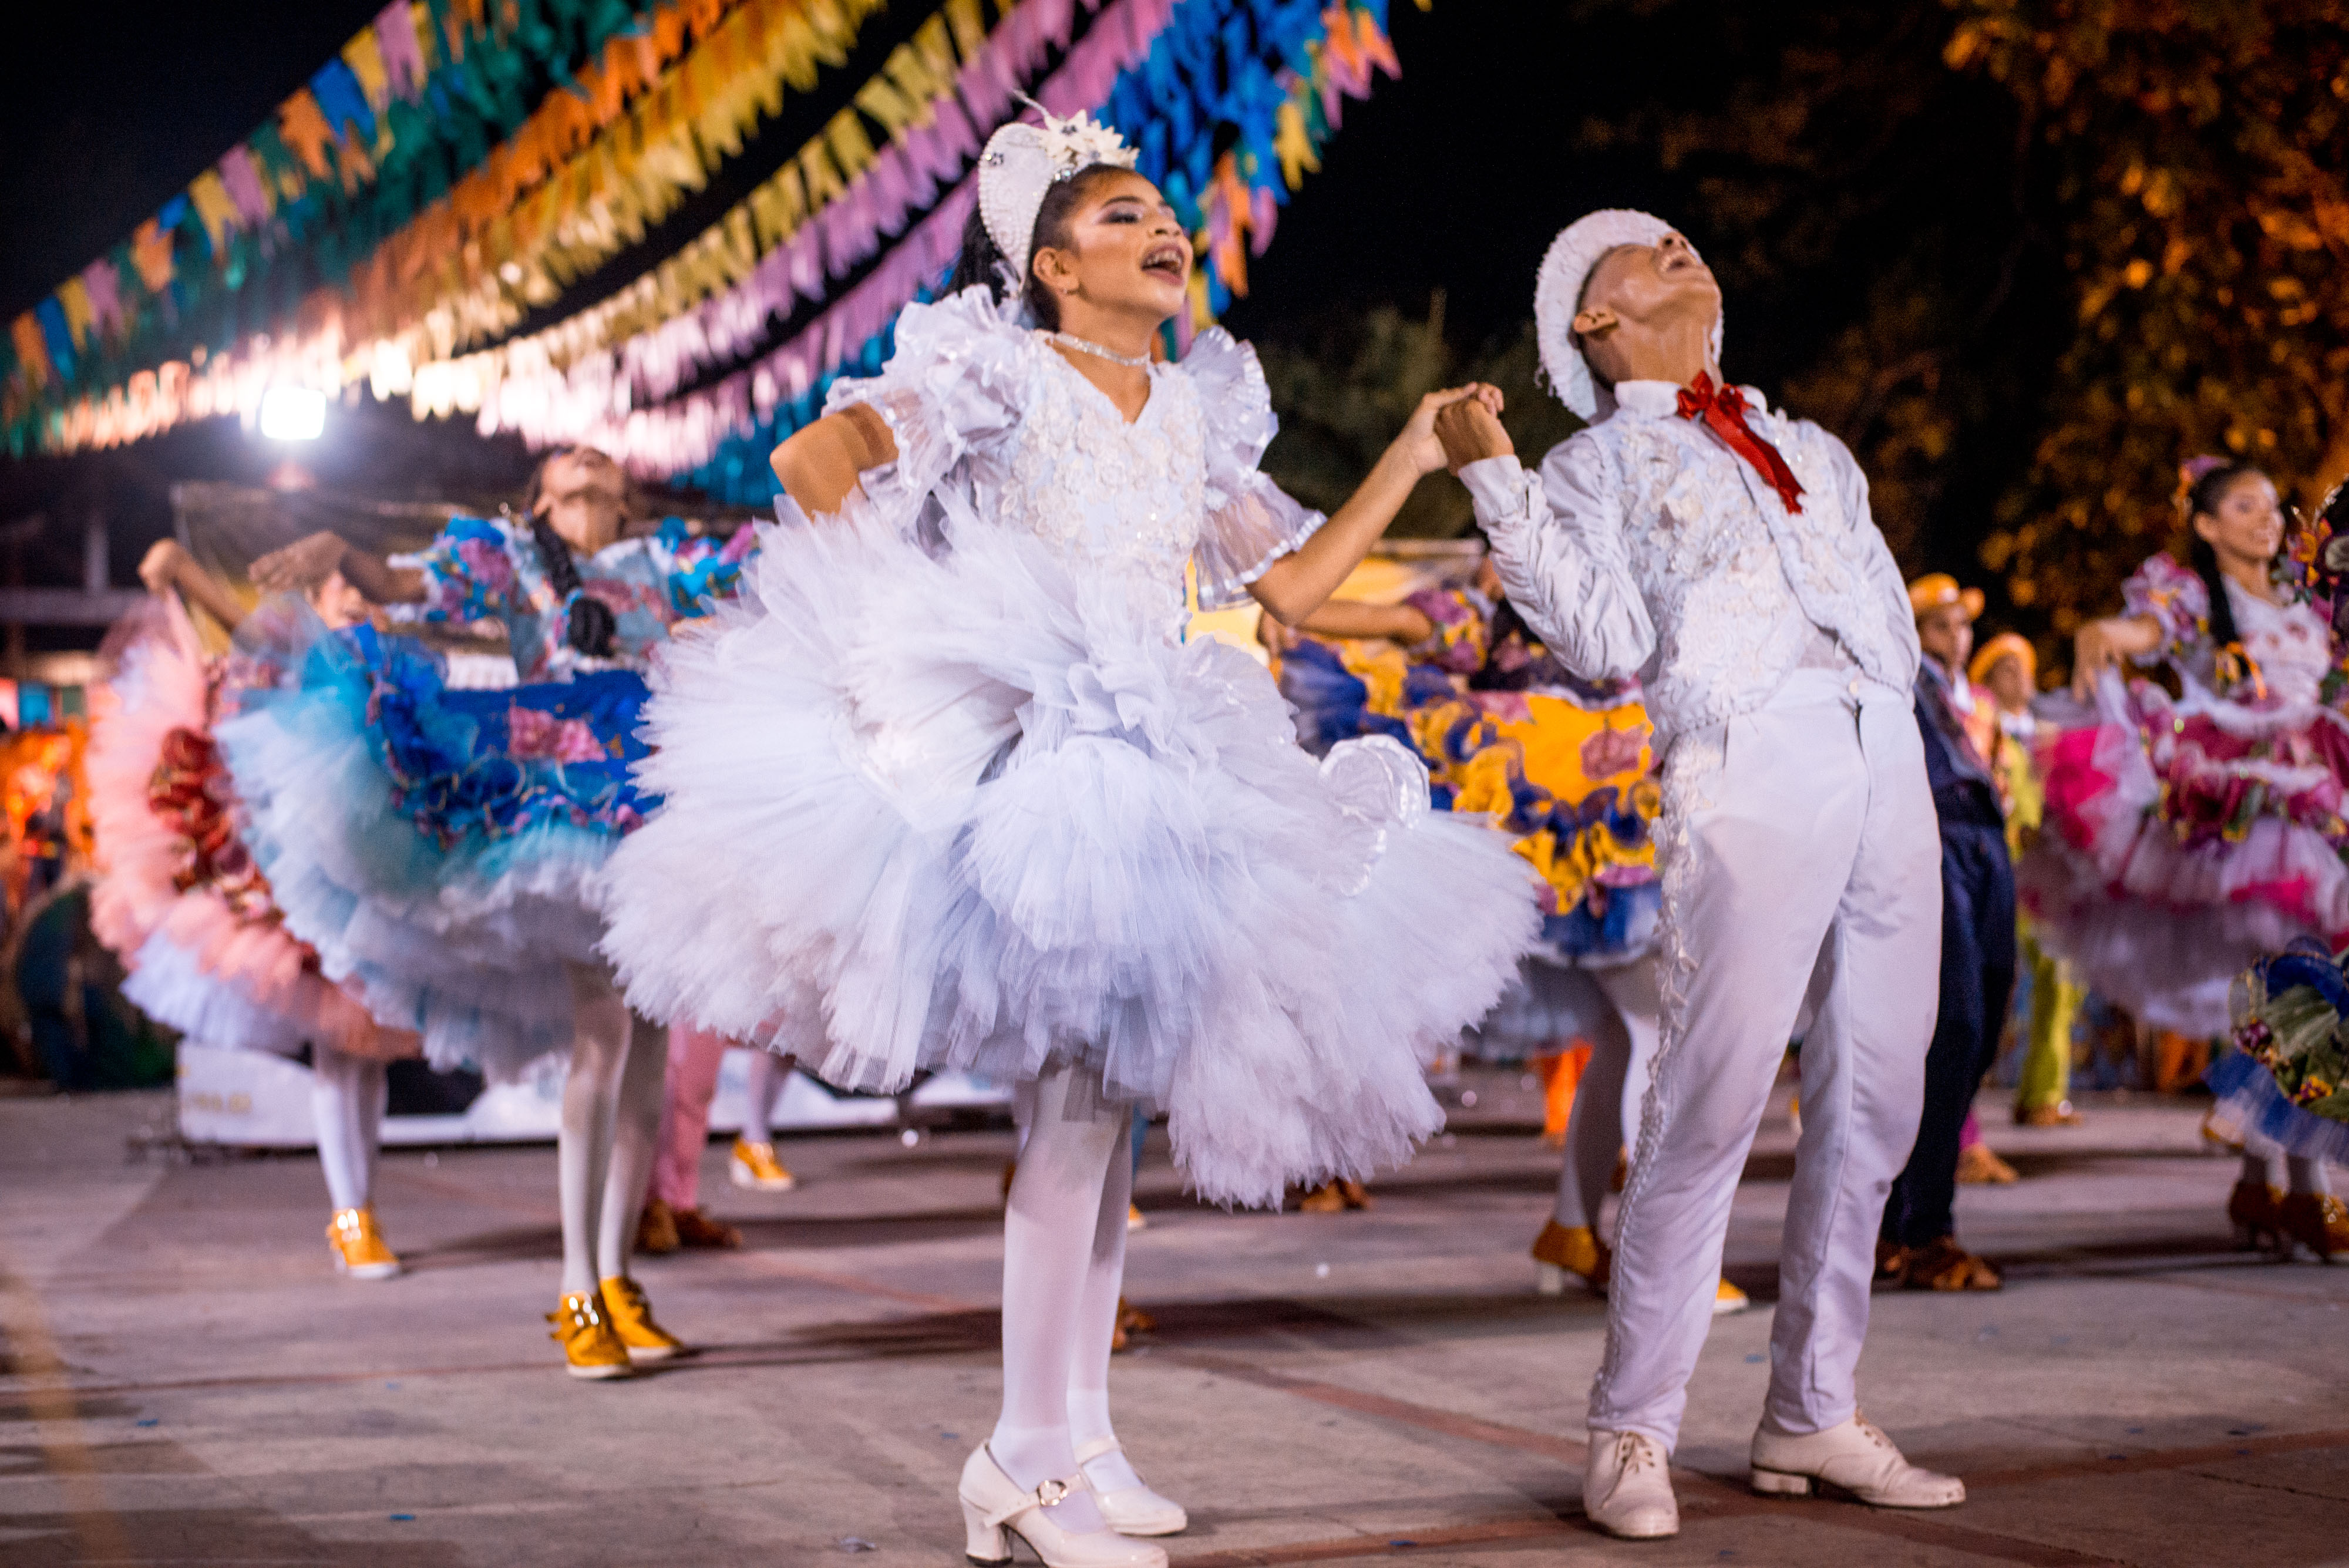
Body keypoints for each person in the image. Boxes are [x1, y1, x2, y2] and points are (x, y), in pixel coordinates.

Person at [595, 109, 1538, 1568]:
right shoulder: (997, 372)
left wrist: (1415, 449)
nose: (1163, 230)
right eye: (1119, 217)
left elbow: (1293, 589)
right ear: (1047, 265)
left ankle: (1080, 1434)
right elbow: (816, 462)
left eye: (1163, 214)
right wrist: (917, 628)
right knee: (1078, 1115)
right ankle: (1021, 1463)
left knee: (1110, 1123)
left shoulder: (1189, 405)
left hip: (1168, 752)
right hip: (1051, 768)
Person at [1434, 209, 1961, 1539]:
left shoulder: (1809, 445)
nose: (1678, 245)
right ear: (1594, 321)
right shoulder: (1590, 461)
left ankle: (1812, 1407)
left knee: (1879, 1095)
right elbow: (1605, 638)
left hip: (1879, 744)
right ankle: (1632, 1423)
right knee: (1712, 1094)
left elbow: (1884, 606)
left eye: (1682, 242)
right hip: (1745, 747)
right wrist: (1497, 481)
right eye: (1643, 250)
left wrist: (1890, 709)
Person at [243, 448, 754, 1378]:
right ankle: (576, 1288)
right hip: (563, 807)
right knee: (605, 1028)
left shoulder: (665, 561)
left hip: (658, 796)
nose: (587, 453)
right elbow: (401, 584)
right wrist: (340, 553)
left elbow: (759, 577)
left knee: (651, 1039)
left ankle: (618, 1280)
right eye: (567, 458)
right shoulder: (510, 557)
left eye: (600, 455)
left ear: (624, 497)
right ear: (542, 498)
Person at [1265, 566, 1748, 1313]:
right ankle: (1667, 1262)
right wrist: (1290, 604)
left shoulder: (1623, 612)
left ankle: (1572, 1230)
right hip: (1565, 845)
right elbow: (1387, 622)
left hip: (1626, 837)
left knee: (1632, 1038)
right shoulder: (1488, 618)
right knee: (1656, 1035)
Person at [2026, 459, 2348, 1253]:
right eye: (2243, 506)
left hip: (2320, 794)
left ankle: (2261, 1179)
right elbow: (2139, 635)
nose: (2266, 519)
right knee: (2295, 984)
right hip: (2250, 807)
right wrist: (2102, 636)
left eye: (2271, 506)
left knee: (2291, 990)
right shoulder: (2196, 597)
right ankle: (2305, 1186)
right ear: (2205, 525)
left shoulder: (2306, 598)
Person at [94, 541, 422, 1280]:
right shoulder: (295, 650)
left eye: (366, 594)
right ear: (320, 597)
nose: (355, 601)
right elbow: (243, 631)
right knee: (340, 1047)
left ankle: (361, 1212)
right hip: (307, 878)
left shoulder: (394, 667)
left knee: (368, 1053)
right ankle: (351, 1217)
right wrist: (184, 571)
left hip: (380, 878)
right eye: (342, 590)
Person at [1876, 575, 2011, 1292]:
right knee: (1951, 1024)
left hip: (1985, 839)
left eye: (1962, 625)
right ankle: (1924, 1228)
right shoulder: (1891, 666)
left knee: (1982, 1025)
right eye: (1939, 625)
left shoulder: (1971, 697)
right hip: (1928, 836)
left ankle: (1895, 1216)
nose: (1954, 637)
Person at [1968, 631, 2084, 1129]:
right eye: (2008, 668)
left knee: (2060, 977)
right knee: (1981, 981)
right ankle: (1960, 1107)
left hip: (2044, 876)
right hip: (1996, 868)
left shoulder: (2045, 735)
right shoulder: (1978, 727)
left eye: (2024, 667)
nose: (2021, 677)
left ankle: (2045, 1094)